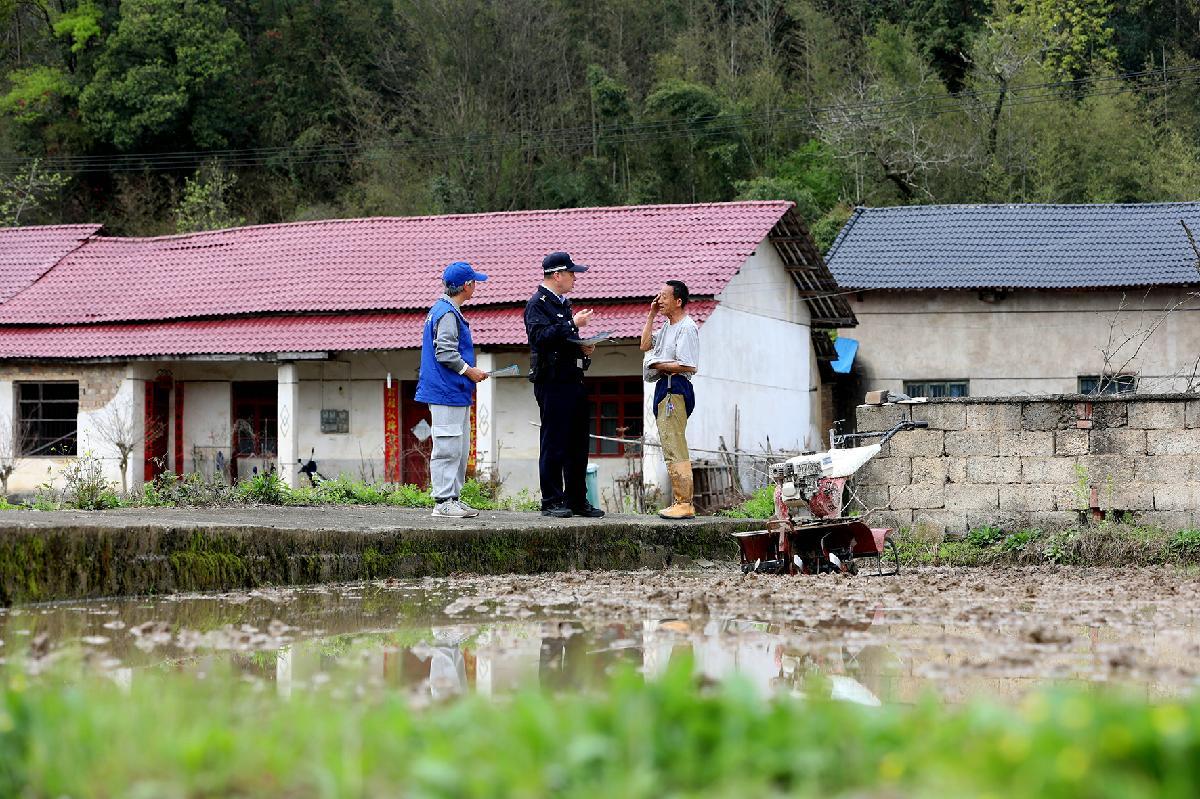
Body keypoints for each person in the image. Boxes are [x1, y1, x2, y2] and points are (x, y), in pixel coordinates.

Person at [524, 251, 605, 518]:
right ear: (557, 275)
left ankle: (576, 499)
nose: (574, 278)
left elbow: (563, 342)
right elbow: (539, 338)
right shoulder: (537, 304)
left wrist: (583, 347)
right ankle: (551, 500)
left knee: (577, 443)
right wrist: (572, 324)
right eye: (571, 273)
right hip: (552, 380)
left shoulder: (563, 304)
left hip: (573, 378)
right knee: (554, 441)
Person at [415, 261, 490, 518]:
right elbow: (445, 352)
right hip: (445, 391)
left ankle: (453, 498)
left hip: (454, 391)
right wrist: (470, 371)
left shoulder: (445, 310)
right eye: (474, 282)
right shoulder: (447, 313)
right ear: (467, 286)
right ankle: (443, 501)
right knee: (447, 447)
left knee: (458, 447)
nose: (475, 286)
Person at [640, 280, 699, 519]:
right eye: (659, 296)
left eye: (664, 296)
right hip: (664, 387)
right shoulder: (666, 327)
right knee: (668, 443)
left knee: (675, 445)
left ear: (678, 301)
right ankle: (680, 502)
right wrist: (651, 315)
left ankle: (684, 503)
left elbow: (689, 365)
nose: (660, 300)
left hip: (676, 387)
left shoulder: (687, 327)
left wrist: (656, 364)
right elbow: (644, 345)